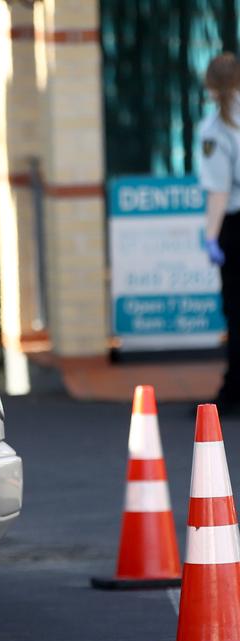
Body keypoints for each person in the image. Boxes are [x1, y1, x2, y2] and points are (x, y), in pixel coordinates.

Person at [200, 53, 240, 415]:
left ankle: (234, 393)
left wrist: (210, 236)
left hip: (236, 225)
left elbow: (220, 190)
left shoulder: (216, 128)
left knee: (237, 310)